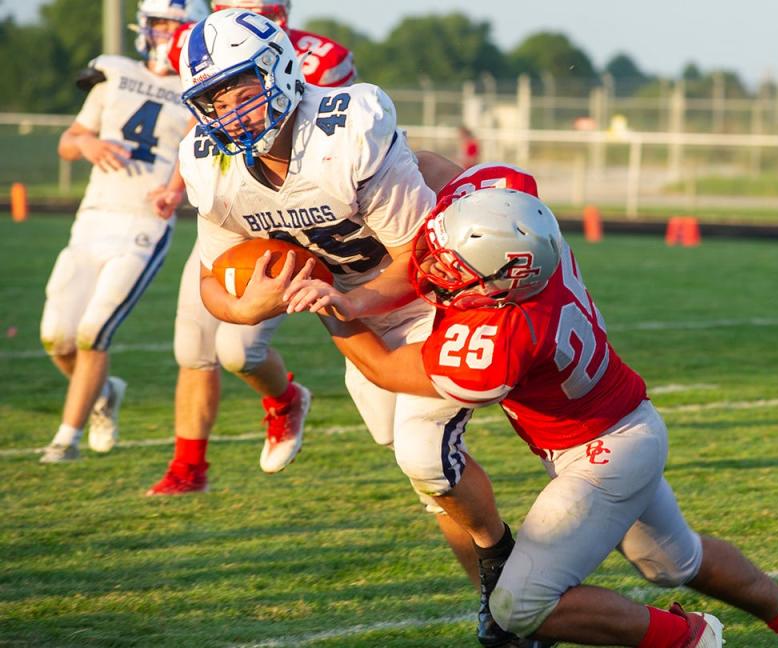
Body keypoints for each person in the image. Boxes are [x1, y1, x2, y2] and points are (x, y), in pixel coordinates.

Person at [285, 166, 778, 648]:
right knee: (672, 562)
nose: (434, 269)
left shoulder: (506, 336)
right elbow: (446, 169)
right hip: (632, 426)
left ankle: (687, 638)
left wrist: (329, 302)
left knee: (518, 608)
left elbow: (383, 369)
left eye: (454, 269)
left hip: (600, 456)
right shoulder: (520, 225)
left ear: (505, 280)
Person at [173, 12, 540, 646]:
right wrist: (249, 308)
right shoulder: (214, 165)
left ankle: (508, 574)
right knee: (427, 480)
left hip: (433, 299)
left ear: (280, 67)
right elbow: (212, 279)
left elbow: (420, 261)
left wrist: (350, 300)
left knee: (424, 455)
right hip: (354, 318)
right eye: (212, 97)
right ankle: (498, 573)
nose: (228, 108)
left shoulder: (347, 129)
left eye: (239, 86)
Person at [144, 0, 359, 495]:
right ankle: (189, 467)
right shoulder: (194, 48)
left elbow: (335, 142)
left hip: (305, 218)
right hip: (235, 212)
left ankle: (286, 400)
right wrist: (178, 186)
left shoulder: (321, 56)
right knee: (195, 343)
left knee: (239, 349)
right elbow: (198, 130)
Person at [38, 0, 205, 464]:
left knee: (94, 333)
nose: (167, 33)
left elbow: (196, 156)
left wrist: (174, 191)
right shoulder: (112, 75)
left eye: (177, 24)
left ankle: (65, 439)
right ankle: (103, 392)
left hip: (143, 222)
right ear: (145, 27)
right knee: (57, 337)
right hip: (92, 216)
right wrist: (88, 142)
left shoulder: (199, 90)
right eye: (161, 23)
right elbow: (68, 142)